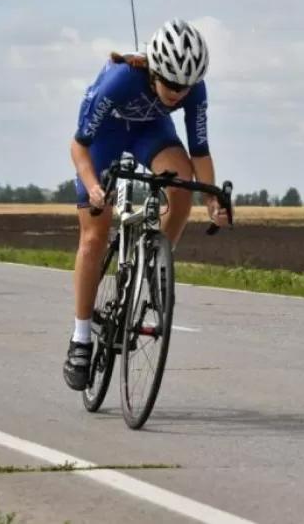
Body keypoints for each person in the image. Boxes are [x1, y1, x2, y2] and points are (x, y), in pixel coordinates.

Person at [63, 19, 228, 390]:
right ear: (154, 69)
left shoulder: (193, 91)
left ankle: (155, 261)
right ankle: (81, 337)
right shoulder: (120, 80)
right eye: (171, 84)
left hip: (150, 132)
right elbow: (79, 145)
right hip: (102, 138)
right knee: (94, 234)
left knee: (182, 186)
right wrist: (92, 187)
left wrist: (211, 199)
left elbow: (199, 153)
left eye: (185, 87)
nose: (178, 93)